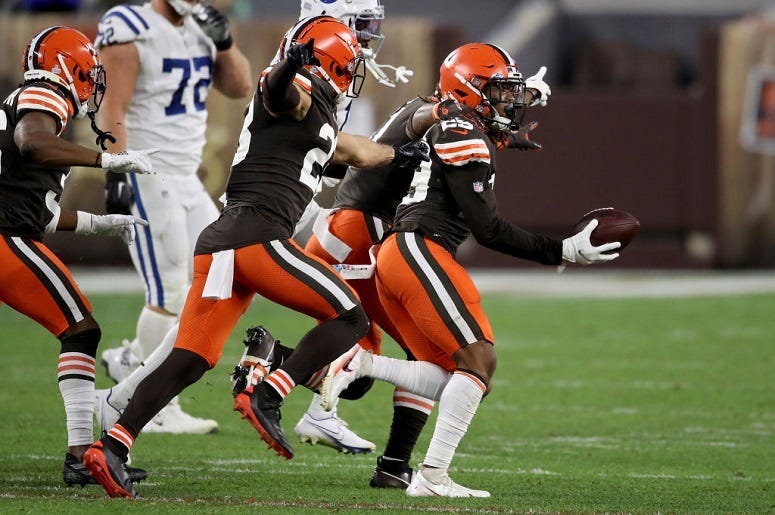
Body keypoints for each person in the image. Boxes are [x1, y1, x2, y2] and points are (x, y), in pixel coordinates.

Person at [83, 15, 429, 498]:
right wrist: (292, 63)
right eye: (349, 63)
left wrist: (400, 155)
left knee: (191, 357)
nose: (355, 72)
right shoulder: (295, 90)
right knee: (351, 318)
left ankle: (112, 448)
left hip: (223, 240)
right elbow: (276, 88)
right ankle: (269, 389)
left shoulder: (317, 118)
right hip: (257, 237)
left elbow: (355, 151)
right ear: (330, 62)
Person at [319, 42, 620, 498]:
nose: (511, 102)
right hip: (419, 249)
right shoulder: (459, 129)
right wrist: (562, 251)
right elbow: (489, 228)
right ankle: (431, 477)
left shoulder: (459, 123)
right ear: (471, 89)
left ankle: (362, 365)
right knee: (480, 360)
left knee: (452, 372)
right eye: (501, 92)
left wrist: (518, 110)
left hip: (405, 253)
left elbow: (469, 130)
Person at [0, 25, 156, 487]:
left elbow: (40, 212)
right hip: (6, 239)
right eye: (87, 70)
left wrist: (101, 223)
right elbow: (33, 141)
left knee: (80, 330)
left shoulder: (34, 102)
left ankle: (78, 453)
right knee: (81, 330)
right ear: (65, 66)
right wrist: (107, 161)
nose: (91, 82)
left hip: (13, 231)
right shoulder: (45, 92)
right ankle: (79, 455)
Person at [93, 0, 252, 434]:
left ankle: (131, 361)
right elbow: (113, 106)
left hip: (185, 175)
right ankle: (154, 408)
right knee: (168, 289)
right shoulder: (130, 25)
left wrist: (224, 41)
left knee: (217, 275)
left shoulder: (199, 27)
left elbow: (240, 87)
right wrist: (117, 167)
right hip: (146, 169)